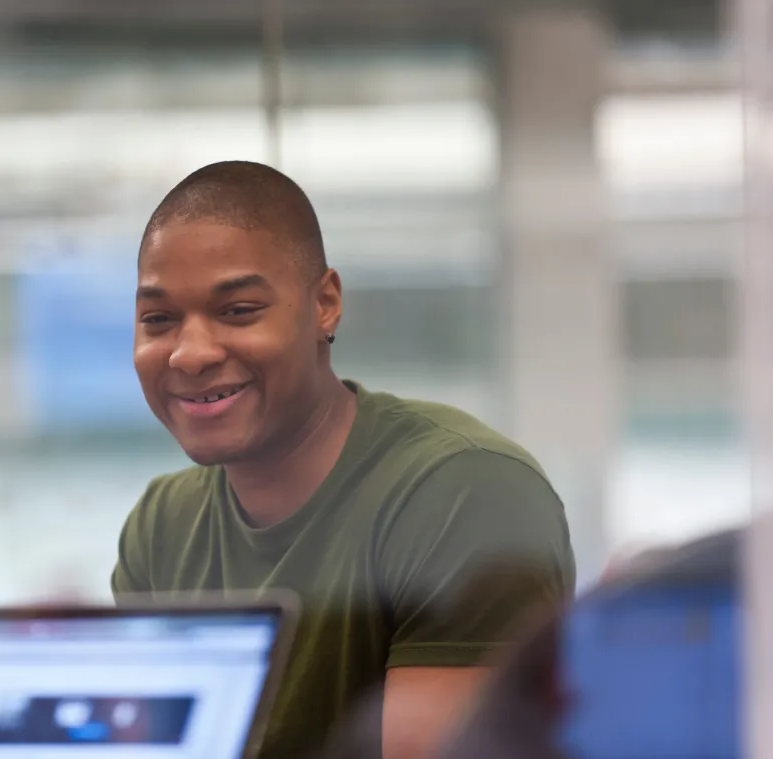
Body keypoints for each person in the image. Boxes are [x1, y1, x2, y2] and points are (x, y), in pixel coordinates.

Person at [111, 160, 576, 759]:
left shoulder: (466, 490)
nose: (190, 354)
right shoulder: (161, 527)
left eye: (238, 311)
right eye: (158, 320)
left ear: (325, 304)